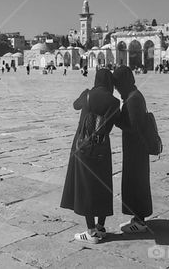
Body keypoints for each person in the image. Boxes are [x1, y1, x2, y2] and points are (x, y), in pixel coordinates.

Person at [61, 68, 120, 244]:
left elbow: (75, 105)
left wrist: (86, 95)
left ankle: (91, 231)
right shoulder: (114, 102)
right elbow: (118, 122)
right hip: (102, 148)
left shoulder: (87, 95)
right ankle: (101, 227)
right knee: (102, 185)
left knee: (85, 186)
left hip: (82, 147)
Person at [112, 66, 153, 234]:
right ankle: (138, 217)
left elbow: (133, 126)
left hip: (136, 148)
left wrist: (117, 120)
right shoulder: (133, 95)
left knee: (137, 182)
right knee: (136, 181)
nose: (117, 88)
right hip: (135, 148)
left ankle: (140, 222)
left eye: (118, 84)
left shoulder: (133, 98)